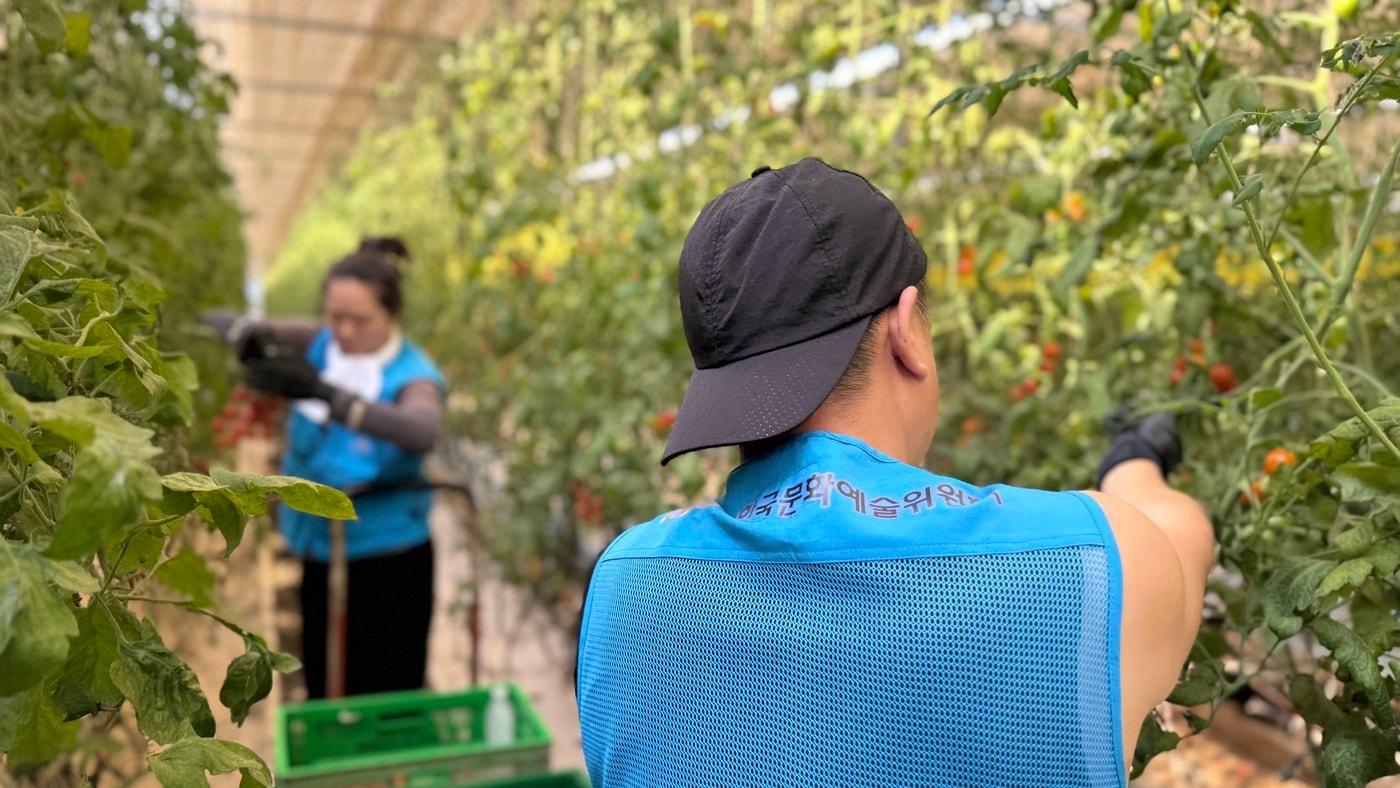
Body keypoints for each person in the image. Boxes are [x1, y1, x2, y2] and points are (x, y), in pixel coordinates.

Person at [575, 159, 1214, 786]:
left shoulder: (627, 582)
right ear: (905, 331)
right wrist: (1134, 460)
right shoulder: (1085, 565)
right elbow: (1178, 538)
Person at [205, 237, 445, 698]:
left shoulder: (413, 374)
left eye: (361, 320)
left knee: (389, 681)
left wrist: (328, 396)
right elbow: (226, 322)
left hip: (389, 554)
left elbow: (422, 430)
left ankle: (388, 768)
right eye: (335, 316)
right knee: (327, 676)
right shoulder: (322, 342)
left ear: (392, 316)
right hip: (320, 546)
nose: (345, 331)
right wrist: (246, 337)